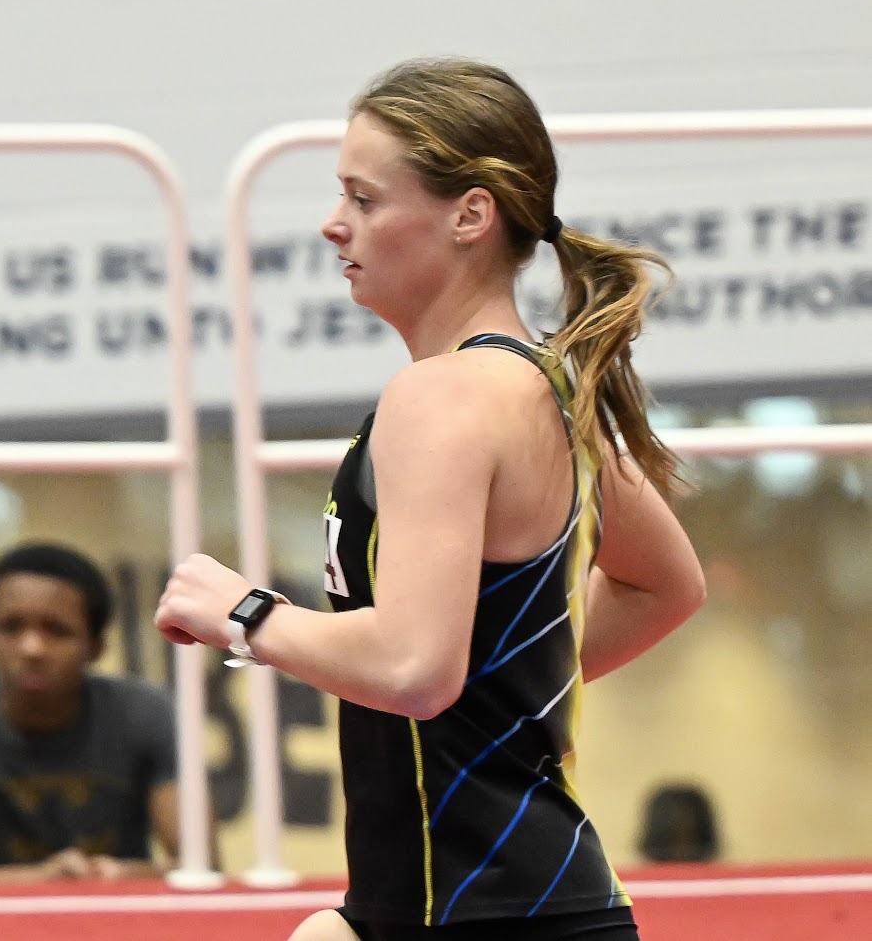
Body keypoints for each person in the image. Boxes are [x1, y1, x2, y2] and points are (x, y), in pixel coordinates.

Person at [156, 57, 707, 940]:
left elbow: (415, 668)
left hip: (487, 910)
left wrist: (245, 613)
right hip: (488, 902)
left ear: (470, 215)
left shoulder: (440, 396)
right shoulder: (548, 388)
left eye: (364, 198)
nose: (334, 224)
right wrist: (498, 691)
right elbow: (664, 586)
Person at [0, 542, 181, 882]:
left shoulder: (147, 715)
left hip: (123, 913)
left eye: (57, 630)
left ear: (96, 647)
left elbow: (201, 866)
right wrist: (47, 880)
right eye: (11, 627)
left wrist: (118, 877)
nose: (32, 648)